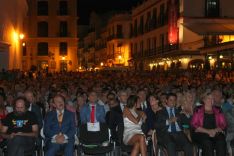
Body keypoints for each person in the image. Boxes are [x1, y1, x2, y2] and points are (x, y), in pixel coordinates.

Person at [191, 91, 227, 156]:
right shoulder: (198, 109)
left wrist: (214, 130)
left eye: (212, 98)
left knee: (221, 140)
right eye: (208, 98)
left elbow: (223, 124)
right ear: (204, 100)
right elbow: (194, 124)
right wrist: (208, 131)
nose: (210, 100)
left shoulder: (218, 109)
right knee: (207, 142)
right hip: (201, 132)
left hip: (215, 132)